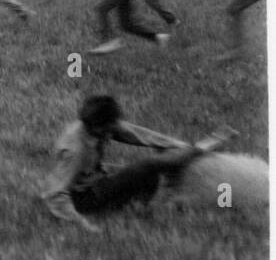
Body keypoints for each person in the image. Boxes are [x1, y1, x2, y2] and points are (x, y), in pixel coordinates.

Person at [43, 94, 235, 232]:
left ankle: (139, 207)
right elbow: (55, 194)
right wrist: (84, 225)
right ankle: (202, 148)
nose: (114, 130)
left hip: (97, 180)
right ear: (98, 126)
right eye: (110, 127)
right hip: (83, 200)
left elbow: (138, 135)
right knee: (146, 166)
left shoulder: (97, 125)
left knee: (148, 173)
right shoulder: (74, 150)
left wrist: (179, 147)